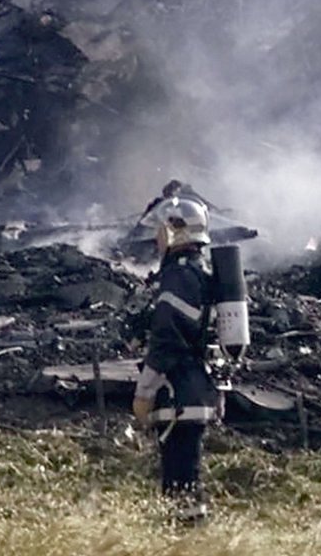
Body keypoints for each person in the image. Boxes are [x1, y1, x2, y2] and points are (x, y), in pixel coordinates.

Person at [132, 195, 219, 523]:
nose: (156, 238)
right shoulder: (198, 272)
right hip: (193, 392)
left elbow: (168, 339)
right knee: (186, 489)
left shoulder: (179, 275)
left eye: (160, 230)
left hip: (177, 395)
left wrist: (144, 392)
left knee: (179, 492)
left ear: (174, 231)